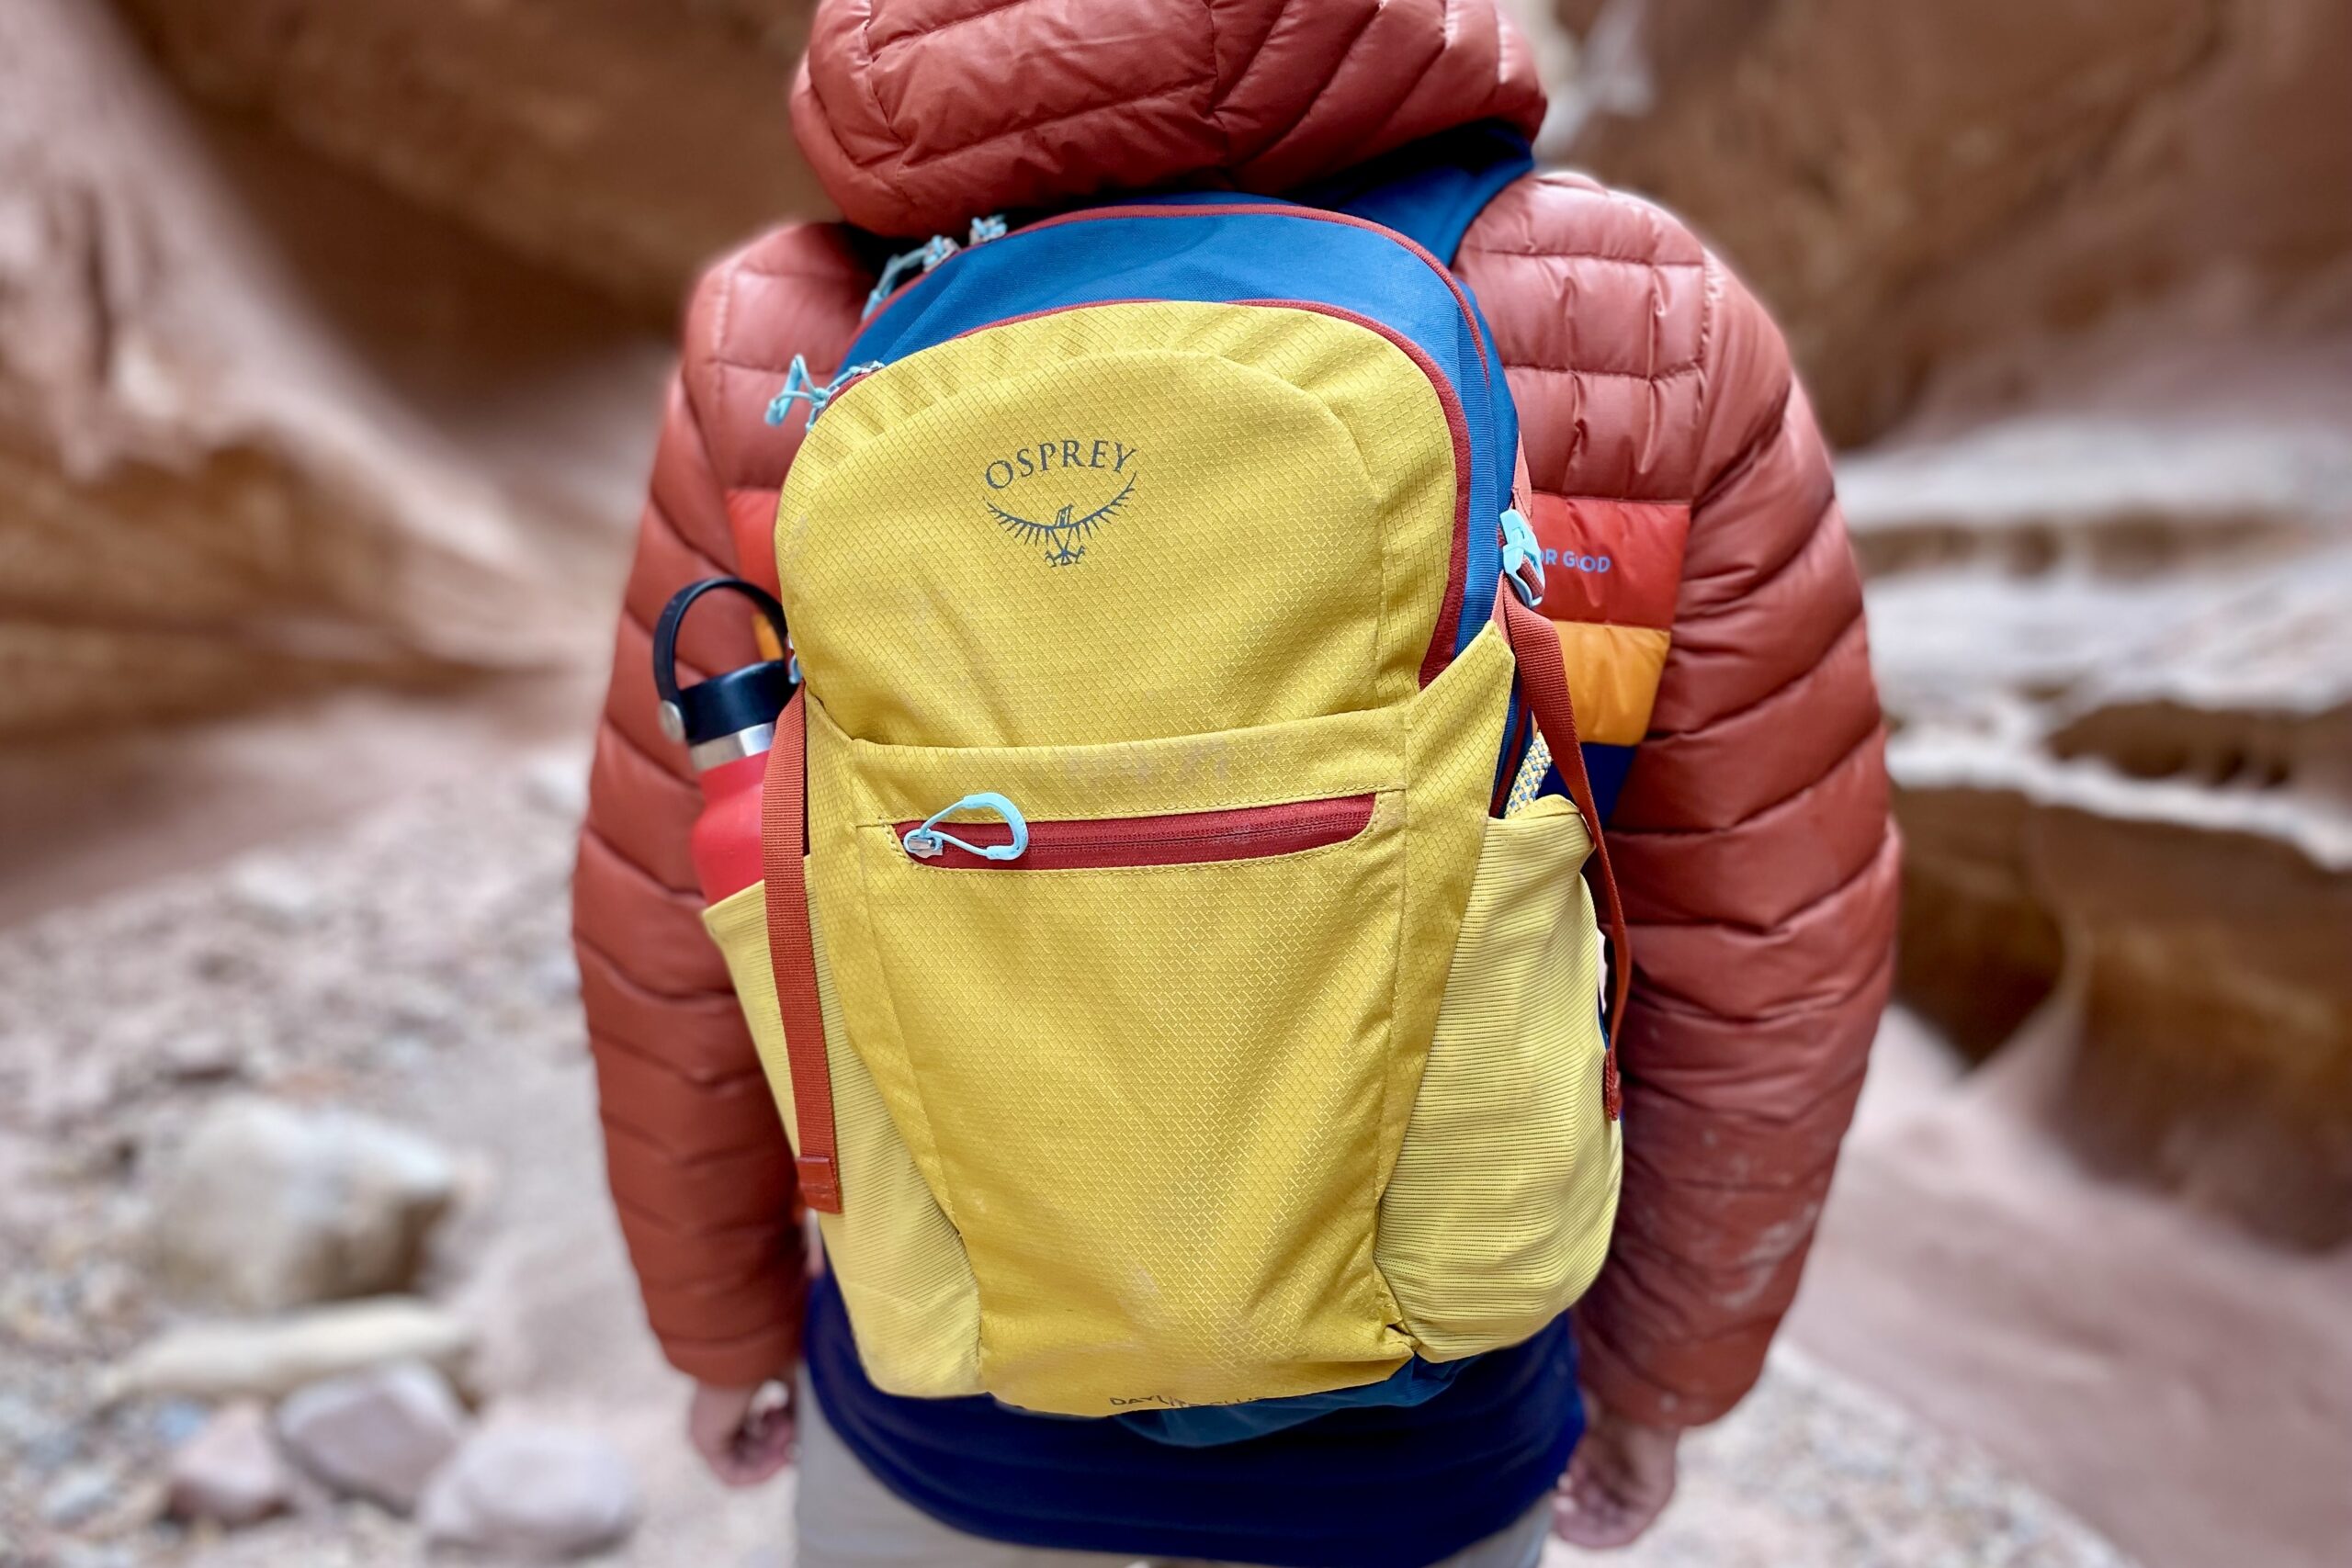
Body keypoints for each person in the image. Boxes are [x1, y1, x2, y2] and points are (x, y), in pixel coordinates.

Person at [573, 3, 1897, 1563]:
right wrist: (1662, 1374)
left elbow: (687, 913)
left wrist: (722, 1327)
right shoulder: (1632, 315)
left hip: (947, 1392)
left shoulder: (778, 335)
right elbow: (1764, 952)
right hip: (1433, 1406)